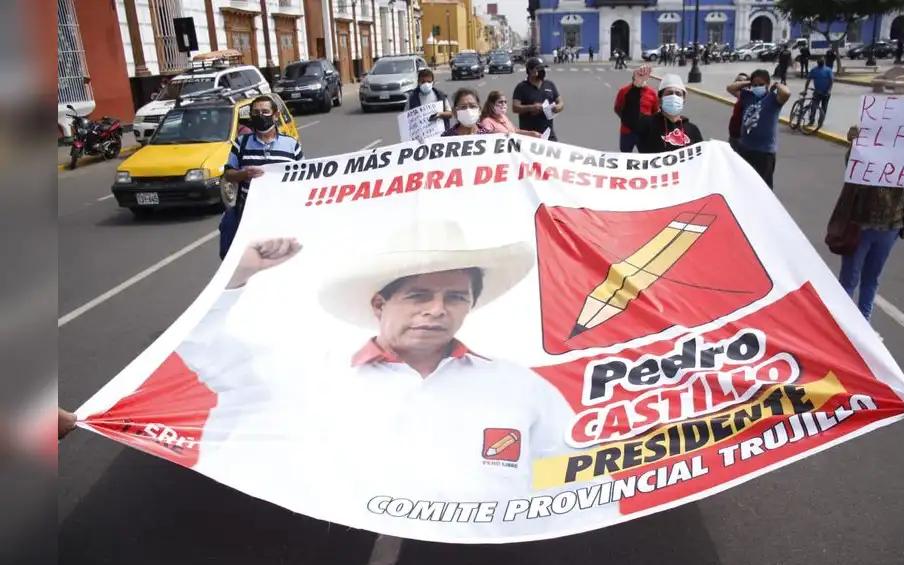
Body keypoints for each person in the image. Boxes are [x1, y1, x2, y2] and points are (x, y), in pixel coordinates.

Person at [172, 221, 617, 524]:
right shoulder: (310, 371)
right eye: (419, 295)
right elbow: (202, 348)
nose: (437, 311)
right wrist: (236, 275)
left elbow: (575, 474)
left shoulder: (521, 387)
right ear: (380, 305)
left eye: (456, 298)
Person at [828, 125, 904, 323]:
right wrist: (855, 143)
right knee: (849, 279)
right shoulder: (864, 154)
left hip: (891, 226)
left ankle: (864, 326)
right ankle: (843, 327)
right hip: (861, 227)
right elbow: (852, 166)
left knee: (871, 279)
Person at [219, 96, 305, 260]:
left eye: (265, 112)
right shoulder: (241, 143)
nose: (260, 116)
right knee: (253, 259)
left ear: (275, 115)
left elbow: (304, 178)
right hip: (250, 215)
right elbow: (229, 175)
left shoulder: (291, 145)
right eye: (256, 112)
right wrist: (244, 174)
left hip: (282, 214)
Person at [726, 69, 790, 189]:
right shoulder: (748, 97)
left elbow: (786, 93)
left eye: (761, 84)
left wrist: (777, 85)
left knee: (763, 187)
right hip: (745, 148)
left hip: (764, 152)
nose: (757, 87)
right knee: (743, 183)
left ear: (767, 85)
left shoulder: (773, 99)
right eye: (755, 85)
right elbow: (730, 88)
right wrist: (748, 83)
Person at [619, 66, 704, 154]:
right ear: (659, 100)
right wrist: (636, 87)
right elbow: (629, 119)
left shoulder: (693, 130)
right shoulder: (647, 124)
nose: (673, 96)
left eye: (678, 94)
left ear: (683, 101)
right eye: (669, 93)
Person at [512, 57, 563, 140]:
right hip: (529, 135)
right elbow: (515, 107)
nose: (541, 71)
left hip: (548, 134)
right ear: (530, 70)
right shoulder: (521, 87)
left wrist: (558, 107)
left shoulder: (549, 84)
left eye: (542, 69)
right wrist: (531, 107)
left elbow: (560, 102)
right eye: (538, 69)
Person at [613, 76, 658, 152]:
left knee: (646, 156)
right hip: (627, 130)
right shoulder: (624, 91)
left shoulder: (652, 93)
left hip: (644, 131)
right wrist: (626, 119)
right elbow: (617, 108)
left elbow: (655, 111)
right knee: (625, 156)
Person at [804, 56, 834, 125]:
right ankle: (812, 120)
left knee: (823, 108)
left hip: (826, 93)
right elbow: (808, 80)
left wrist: (829, 90)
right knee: (814, 107)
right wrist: (805, 90)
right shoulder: (814, 70)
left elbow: (831, 81)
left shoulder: (828, 70)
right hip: (817, 92)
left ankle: (820, 121)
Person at [728, 73, 749, 151]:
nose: (737, 83)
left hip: (741, 137)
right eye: (736, 81)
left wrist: (751, 82)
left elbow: (730, 88)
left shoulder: (748, 98)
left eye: (740, 81)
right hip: (734, 135)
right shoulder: (741, 97)